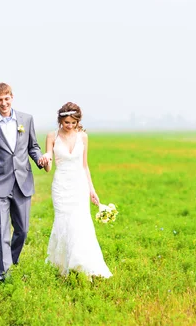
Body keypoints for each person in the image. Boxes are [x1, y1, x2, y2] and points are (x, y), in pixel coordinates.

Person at [0, 83, 49, 281]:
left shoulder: (26, 119)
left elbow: (33, 146)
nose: (3, 103)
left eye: (6, 99)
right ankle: (4, 273)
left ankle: (11, 261)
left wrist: (40, 159)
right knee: (0, 231)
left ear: (12, 97)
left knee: (23, 230)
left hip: (23, 182)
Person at [42, 102, 112, 279]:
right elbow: (48, 166)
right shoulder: (52, 136)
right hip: (61, 185)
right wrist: (45, 159)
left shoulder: (83, 137)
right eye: (67, 123)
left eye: (73, 123)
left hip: (79, 184)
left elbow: (85, 165)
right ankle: (63, 266)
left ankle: (83, 265)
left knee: (80, 223)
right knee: (63, 222)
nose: (70, 126)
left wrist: (92, 189)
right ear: (60, 121)